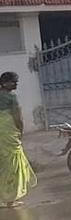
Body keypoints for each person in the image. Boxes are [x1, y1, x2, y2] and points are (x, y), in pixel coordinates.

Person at [0, 72, 35, 206]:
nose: (16, 84)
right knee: (13, 164)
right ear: (4, 83)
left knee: (3, 163)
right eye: (13, 81)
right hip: (8, 132)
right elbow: (18, 117)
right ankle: (10, 198)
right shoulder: (11, 97)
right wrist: (20, 130)